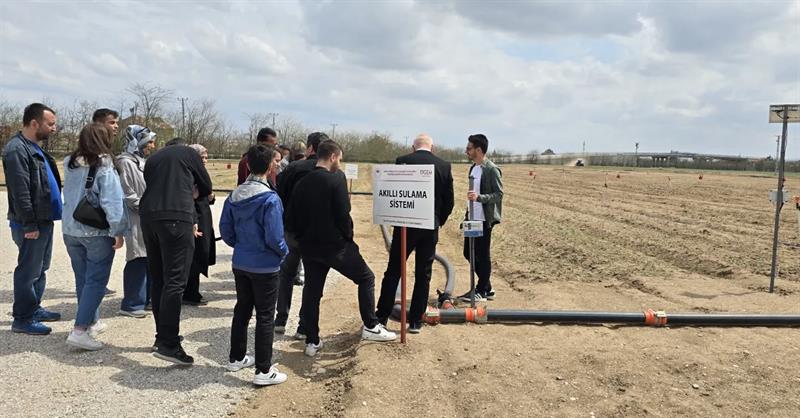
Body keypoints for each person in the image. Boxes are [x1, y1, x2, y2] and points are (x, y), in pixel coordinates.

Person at [288, 140, 396, 357]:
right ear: (333, 156)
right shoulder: (336, 178)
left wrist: (301, 239)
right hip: (336, 247)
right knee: (366, 278)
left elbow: (290, 217)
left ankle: (312, 341)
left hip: (309, 248)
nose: (340, 162)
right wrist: (348, 238)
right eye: (340, 158)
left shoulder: (302, 182)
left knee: (312, 292)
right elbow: (343, 214)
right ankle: (371, 325)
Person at [220, 144, 288, 386]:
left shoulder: (234, 195)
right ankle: (263, 370)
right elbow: (275, 237)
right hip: (265, 266)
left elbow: (225, 231)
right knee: (265, 316)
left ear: (248, 165)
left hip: (241, 262)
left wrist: (241, 246)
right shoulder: (270, 198)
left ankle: (236, 357)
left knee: (242, 310)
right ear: (270, 166)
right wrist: (284, 252)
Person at [140, 137, 212, 365]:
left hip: (149, 217)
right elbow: (206, 186)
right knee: (175, 281)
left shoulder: (153, 159)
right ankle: (169, 344)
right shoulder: (189, 154)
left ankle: (161, 336)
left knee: (159, 279)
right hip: (177, 217)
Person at [375, 134, 454, 333]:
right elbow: (449, 201)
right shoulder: (444, 166)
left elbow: (394, 192)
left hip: (405, 225)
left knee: (394, 271)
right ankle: (416, 321)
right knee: (423, 274)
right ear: (432, 148)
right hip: (429, 227)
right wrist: (437, 221)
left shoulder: (402, 161)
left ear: (413, 148)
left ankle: (381, 317)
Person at [62, 123, 128, 350]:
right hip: (95, 231)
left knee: (82, 278)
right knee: (96, 281)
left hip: (70, 229)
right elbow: (112, 202)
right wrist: (118, 231)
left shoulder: (69, 162)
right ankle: (79, 330)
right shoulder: (104, 165)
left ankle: (90, 322)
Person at [3, 103, 62, 335]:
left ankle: (34, 308)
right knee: (28, 271)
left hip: (44, 220)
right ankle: (23, 319)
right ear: (35, 123)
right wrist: (29, 224)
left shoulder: (34, 148)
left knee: (41, 268)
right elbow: (21, 192)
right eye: (51, 124)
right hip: (31, 223)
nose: (54, 128)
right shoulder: (17, 150)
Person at [273, 132, 326, 338]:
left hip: (292, 230)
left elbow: (279, 194)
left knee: (286, 274)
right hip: (316, 233)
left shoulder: (294, 167)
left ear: (310, 148)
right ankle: (304, 326)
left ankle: (281, 319)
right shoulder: (329, 171)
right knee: (312, 280)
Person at [115, 125, 156, 318]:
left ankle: (145, 298)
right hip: (135, 216)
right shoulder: (125, 162)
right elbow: (127, 193)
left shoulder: (140, 161)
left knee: (147, 258)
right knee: (137, 259)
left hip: (146, 216)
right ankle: (131, 303)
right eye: (149, 142)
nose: (152, 146)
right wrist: (146, 206)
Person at [458, 134, 503, 302]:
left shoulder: (491, 169)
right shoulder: (473, 168)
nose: (466, 151)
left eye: (469, 148)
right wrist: (467, 216)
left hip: (484, 220)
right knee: (468, 252)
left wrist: (480, 198)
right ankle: (487, 287)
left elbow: (499, 194)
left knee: (483, 255)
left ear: (478, 149)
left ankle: (482, 290)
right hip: (472, 218)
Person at [183, 144, 216, 306]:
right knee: (195, 255)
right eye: (201, 157)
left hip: (204, 216)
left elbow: (207, 194)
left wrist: (210, 196)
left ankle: (192, 291)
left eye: (206, 157)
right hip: (195, 217)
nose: (204, 160)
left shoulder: (200, 172)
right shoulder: (189, 172)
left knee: (201, 252)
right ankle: (189, 292)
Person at [92, 108, 121, 297]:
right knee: (95, 272)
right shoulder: (100, 157)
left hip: (80, 224)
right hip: (96, 222)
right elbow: (109, 197)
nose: (116, 126)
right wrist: (117, 228)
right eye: (112, 122)